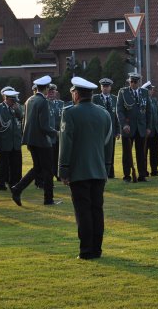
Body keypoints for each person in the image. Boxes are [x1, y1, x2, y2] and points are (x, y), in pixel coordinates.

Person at [59, 77, 114, 260]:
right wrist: (106, 167)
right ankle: (97, 249)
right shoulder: (104, 114)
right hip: (99, 170)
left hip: (79, 171)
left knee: (83, 212)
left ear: (76, 94)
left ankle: (86, 250)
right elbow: (108, 144)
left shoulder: (70, 113)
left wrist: (63, 170)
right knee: (97, 211)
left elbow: (66, 144)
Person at [11, 75, 61, 206]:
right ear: (46, 88)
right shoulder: (43, 102)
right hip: (42, 141)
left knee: (37, 168)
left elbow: (25, 121)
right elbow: (44, 126)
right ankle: (48, 199)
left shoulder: (29, 100)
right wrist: (57, 133)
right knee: (48, 170)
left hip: (31, 140)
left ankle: (17, 188)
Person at [116, 73, 151, 182]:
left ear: (139, 82)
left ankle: (142, 175)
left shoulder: (144, 92)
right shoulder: (123, 92)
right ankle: (127, 175)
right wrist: (124, 124)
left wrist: (148, 127)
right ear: (129, 82)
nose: (133, 84)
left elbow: (149, 111)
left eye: (135, 82)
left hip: (141, 128)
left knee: (141, 153)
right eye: (131, 82)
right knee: (127, 153)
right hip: (128, 128)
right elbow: (119, 110)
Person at [0, 88, 23, 191]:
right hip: (4, 141)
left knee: (16, 165)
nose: (14, 102)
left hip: (16, 142)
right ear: (7, 98)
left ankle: (15, 183)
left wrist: (17, 110)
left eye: (15, 100)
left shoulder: (17, 107)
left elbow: (21, 118)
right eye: (12, 100)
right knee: (3, 165)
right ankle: (1, 184)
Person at [92, 78, 120, 178]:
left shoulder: (115, 98)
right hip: (100, 131)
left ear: (110, 87)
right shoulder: (95, 98)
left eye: (107, 86)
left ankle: (110, 172)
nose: (105, 88)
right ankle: (99, 171)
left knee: (111, 152)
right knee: (99, 152)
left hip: (111, 130)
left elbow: (117, 116)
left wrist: (118, 131)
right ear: (101, 87)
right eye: (103, 86)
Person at [143, 81, 158, 176]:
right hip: (147, 131)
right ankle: (144, 170)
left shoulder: (154, 100)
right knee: (144, 152)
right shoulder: (142, 101)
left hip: (155, 130)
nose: (152, 91)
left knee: (155, 152)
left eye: (152, 89)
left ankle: (154, 170)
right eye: (150, 89)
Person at [48, 83, 65, 181]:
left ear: (56, 92)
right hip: (49, 135)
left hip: (59, 135)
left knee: (58, 156)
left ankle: (58, 174)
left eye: (53, 92)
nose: (51, 93)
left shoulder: (61, 104)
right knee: (49, 157)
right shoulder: (45, 103)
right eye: (49, 92)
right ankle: (49, 175)